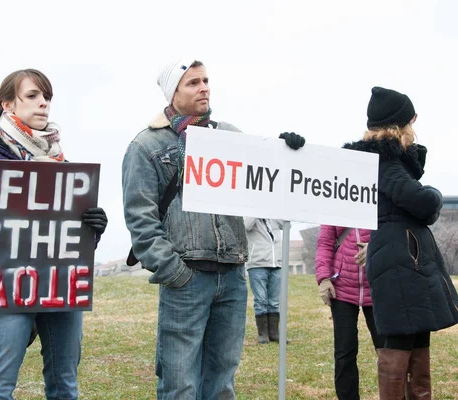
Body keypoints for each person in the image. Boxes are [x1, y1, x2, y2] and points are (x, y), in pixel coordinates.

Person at [121, 58, 305, 399]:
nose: (204, 87)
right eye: (192, 83)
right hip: (186, 278)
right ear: (172, 92)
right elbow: (140, 220)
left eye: (206, 80)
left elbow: (268, 178)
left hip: (233, 275)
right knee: (180, 383)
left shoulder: (231, 136)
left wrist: (285, 150)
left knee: (222, 381)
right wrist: (175, 272)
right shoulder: (146, 146)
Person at [0, 69, 108, 400]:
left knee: (65, 385)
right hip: (10, 281)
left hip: (61, 281)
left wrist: (91, 227)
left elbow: (72, 234)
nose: (43, 103)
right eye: (32, 96)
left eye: (47, 97)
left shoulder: (60, 160)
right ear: (8, 104)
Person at [342, 86, 458, 399]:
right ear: (399, 125)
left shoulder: (391, 163)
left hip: (407, 261)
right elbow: (423, 204)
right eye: (411, 119)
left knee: (418, 344)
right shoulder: (386, 164)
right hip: (400, 263)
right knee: (399, 343)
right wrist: (433, 192)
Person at [315, 226, 384, 399]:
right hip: (342, 288)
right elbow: (325, 242)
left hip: (378, 285)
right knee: (344, 353)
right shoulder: (335, 201)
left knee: (388, 351)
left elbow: (392, 232)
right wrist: (323, 278)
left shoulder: (383, 199)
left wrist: (376, 246)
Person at [244, 218, 285, 344]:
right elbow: (246, 225)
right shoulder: (251, 215)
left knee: (274, 301)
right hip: (257, 264)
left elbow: (286, 224)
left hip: (277, 263)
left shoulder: (273, 216)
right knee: (261, 300)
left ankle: (274, 333)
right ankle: (263, 334)